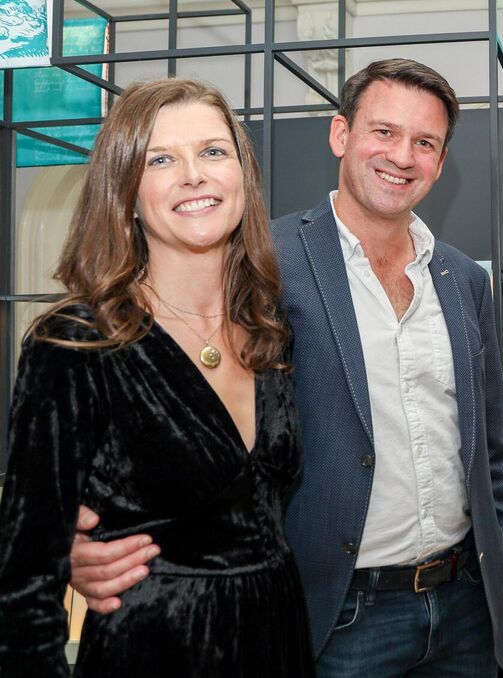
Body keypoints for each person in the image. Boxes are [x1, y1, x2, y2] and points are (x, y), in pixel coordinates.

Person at [68, 60, 503, 676]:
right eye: (384, 132)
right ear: (341, 135)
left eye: (425, 142)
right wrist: (82, 536)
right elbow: (175, 417)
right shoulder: (262, 263)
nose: (402, 155)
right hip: (338, 612)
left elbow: (489, 447)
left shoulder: (464, 280)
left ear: (440, 162)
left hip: (464, 603)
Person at [0, 79, 314, 676]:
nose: (193, 175)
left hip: (277, 641)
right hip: (151, 653)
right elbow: (24, 589)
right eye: (160, 159)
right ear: (126, 192)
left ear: (242, 174)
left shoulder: (269, 324)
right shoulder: (75, 342)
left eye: (213, 152)